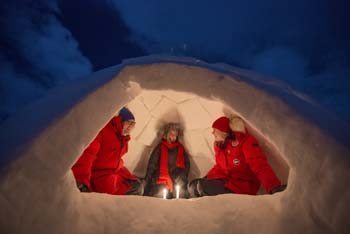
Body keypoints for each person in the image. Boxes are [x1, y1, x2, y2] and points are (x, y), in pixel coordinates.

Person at [188, 115, 286, 197]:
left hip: (242, 185)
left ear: (224, 132)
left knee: (202, 187)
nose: (212, 133)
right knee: (192, 185)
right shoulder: (221, 145)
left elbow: (259, 164)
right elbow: (219, 167)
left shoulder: (245, 142)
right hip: (227, 181)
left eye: (215, 130)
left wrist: (274, 187)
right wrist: (207, 177)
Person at [71, 107, 144, 195]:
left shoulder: (121, 137)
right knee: (136, 190)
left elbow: (116, 161)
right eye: (128, 123)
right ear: (119, 121)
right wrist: (81, 181)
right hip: (100, 178)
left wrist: (129, 177)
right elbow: (87, 155)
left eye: (132, 125)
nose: (130, 128)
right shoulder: (102, 131)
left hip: (113, 174)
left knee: (138, 185)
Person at [143, 123, 190, 199]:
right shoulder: (160, 147)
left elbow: (187, 164)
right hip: (162, 179)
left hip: (177, 179)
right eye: (171, 133)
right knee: (160, 196)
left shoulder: (180, 148)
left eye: (175, 134)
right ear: (167, 134)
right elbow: (152, 164)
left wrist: (182, 175)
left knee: (181, 196)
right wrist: (146, 183)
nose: (174, 136)